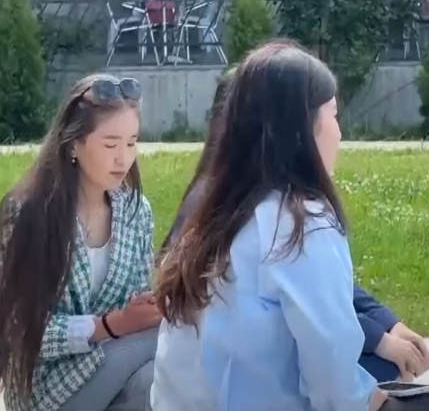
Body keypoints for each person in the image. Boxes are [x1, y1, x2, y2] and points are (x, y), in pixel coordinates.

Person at [151, 41, 429, 411]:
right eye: (333, 115)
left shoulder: (217, 208)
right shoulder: (301, 222)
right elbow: (335, 382)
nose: (339, 133)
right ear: (301, 130)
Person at [0, 74, 159, 411]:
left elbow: (137, 304)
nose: (123, 158)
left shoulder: (135, 210)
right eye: (110, 145)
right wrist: (109, 325)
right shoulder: (29, 214)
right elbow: (21, 330)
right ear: (73, 144)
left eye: (132, 143)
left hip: (115, 365)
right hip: (47, 384)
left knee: (155, 382)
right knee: (173, 340)